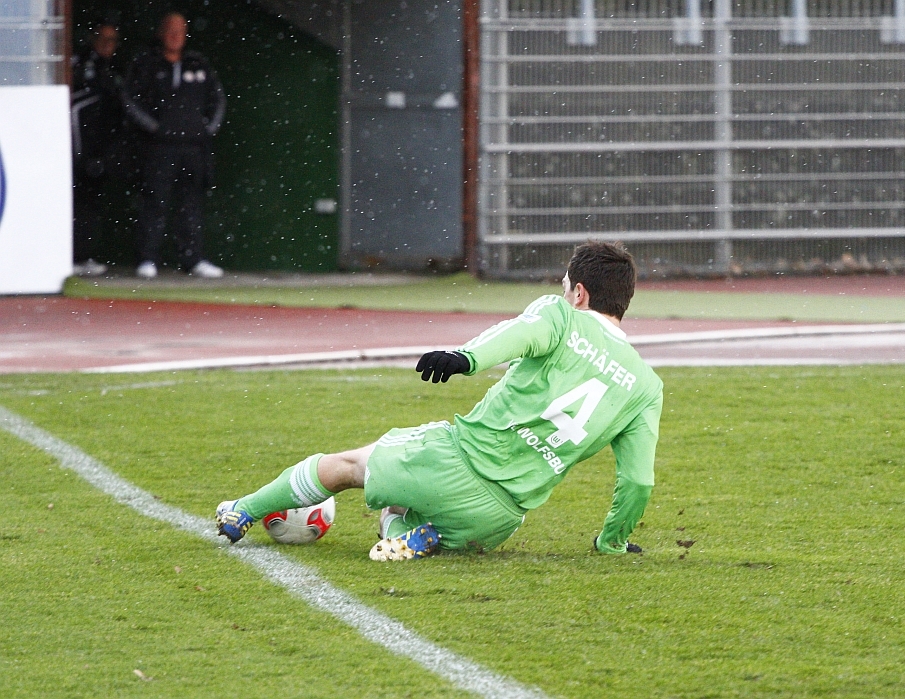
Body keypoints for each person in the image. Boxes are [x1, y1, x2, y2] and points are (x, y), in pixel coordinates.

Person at [217, 241, 664, 560]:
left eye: (566, 286)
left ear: (579, 293)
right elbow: (638, 480)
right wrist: (612, 542)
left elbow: (520, 334)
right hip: (498, 519)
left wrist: (465, 357)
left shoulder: (562, 316)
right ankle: (415, 534)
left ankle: (241, 511)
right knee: (399, 509)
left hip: (453, 463)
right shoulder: (646, 387)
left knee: (345, 467)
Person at [123, 12, 226, 279]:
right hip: (159, 148)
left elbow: (218, 99)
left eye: (180, 30)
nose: (175, 35)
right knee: (154, 202)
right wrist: (156, 128)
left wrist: (205, 130)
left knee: (191, 205)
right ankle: (147, 259)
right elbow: (130, 100)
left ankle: (192, 260)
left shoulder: (198, 63)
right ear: (160, 33)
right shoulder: (146, 64)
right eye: (170, 30)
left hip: (194, 148)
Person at [70, 23, 124, 277]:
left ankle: (83, 255)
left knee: (90, 203)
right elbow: (73, 106)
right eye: (102, 38)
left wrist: (105, 155)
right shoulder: (78, 63)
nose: (106, 44)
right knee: (73, 201)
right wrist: (79, 154)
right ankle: (68, 256)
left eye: (112, 40)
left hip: (100, 150)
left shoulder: (116, 70)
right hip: (77, 149)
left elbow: (117, 114)